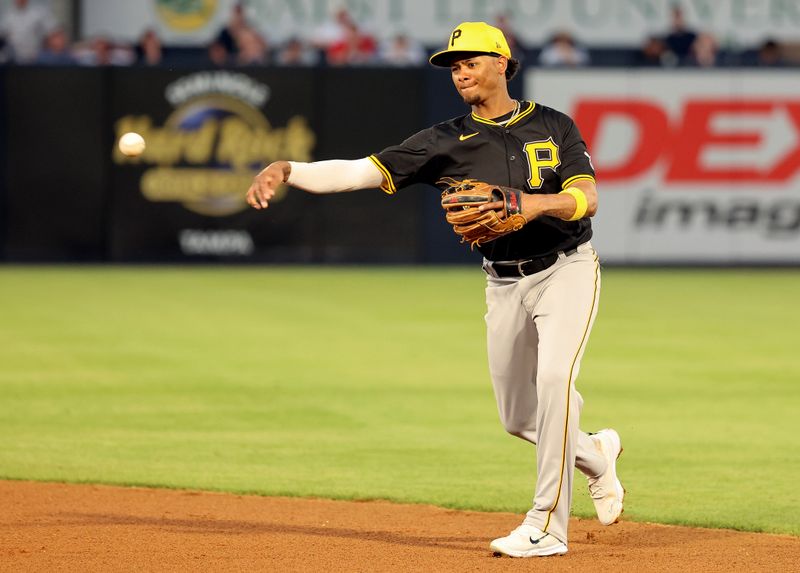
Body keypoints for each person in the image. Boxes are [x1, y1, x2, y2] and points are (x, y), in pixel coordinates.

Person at [245, 21, 624, 558]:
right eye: (452, 64)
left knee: (556, 380)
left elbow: (588, 196)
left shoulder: (554, 125)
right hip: (502, 282)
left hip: (567, 268)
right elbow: (359, 173)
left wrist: (529, 204)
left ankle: (547, 526)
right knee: (519, 418)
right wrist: (288, 169)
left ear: (502, 62)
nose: (460, 71)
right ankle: (596, 454)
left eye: (470, 60)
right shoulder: (442, 141)